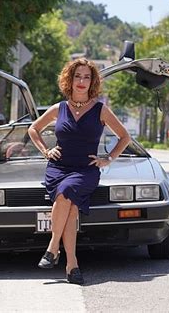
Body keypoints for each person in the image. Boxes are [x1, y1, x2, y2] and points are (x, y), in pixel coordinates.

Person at [28, 58, 131, 285]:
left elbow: (125, 137)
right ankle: (72, 266)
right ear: (70, 79)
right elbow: (33, 129)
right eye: (78, 76)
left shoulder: (100, 110)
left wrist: (109, 158)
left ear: (92, 81)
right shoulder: (59, 108)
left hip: (85, 170)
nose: (82, 81)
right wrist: (46, 151)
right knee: (70, 208)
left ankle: (52, 248)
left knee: (66, 192)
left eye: (87, 77)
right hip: (58, 167)